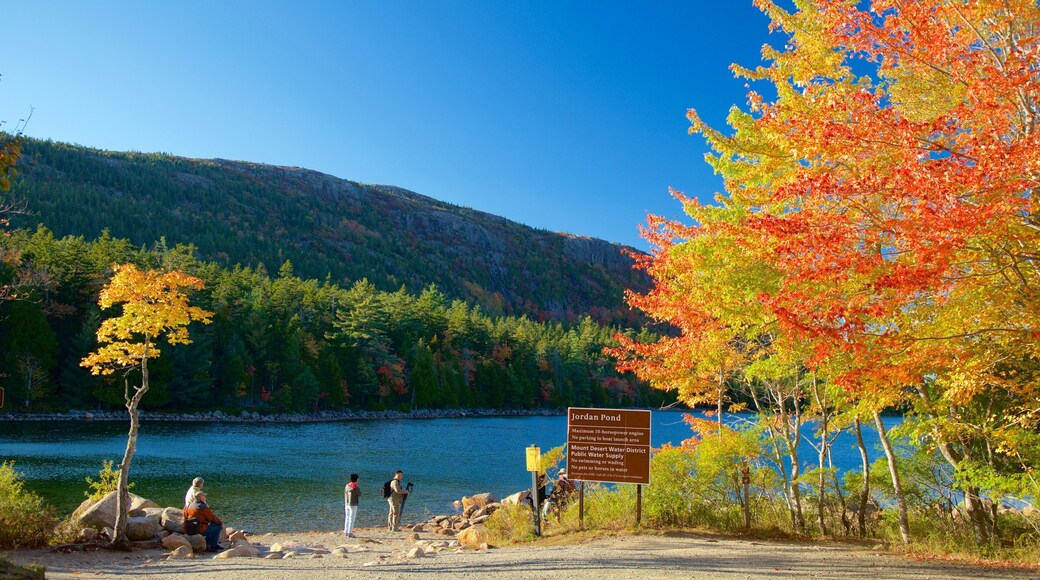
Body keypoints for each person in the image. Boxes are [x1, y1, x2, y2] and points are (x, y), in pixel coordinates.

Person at [344, 473, 360, 538]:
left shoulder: (347, 485)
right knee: (352, 519)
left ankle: (346, 531)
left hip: (347, 503)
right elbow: (359, 494)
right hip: (353, 504)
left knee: (347, 518)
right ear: (356, 479)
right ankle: (350, 533)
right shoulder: (355, 487)